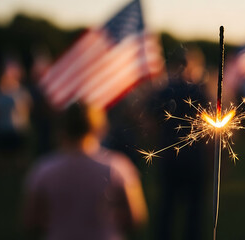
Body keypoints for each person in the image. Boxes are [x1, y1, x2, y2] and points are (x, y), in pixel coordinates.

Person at [23, 103, 148, 240]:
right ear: (99, 128)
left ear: (62, 128)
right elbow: (136, 218)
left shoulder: (44, 169)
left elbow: (30, 221)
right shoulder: (117, 167)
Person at [150, 46, 209, 240]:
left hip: (169, 156)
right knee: (194, 212)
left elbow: (150, 121)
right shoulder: (199, 90)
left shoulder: (165, 90)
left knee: (167, 208)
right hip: (194, 158)